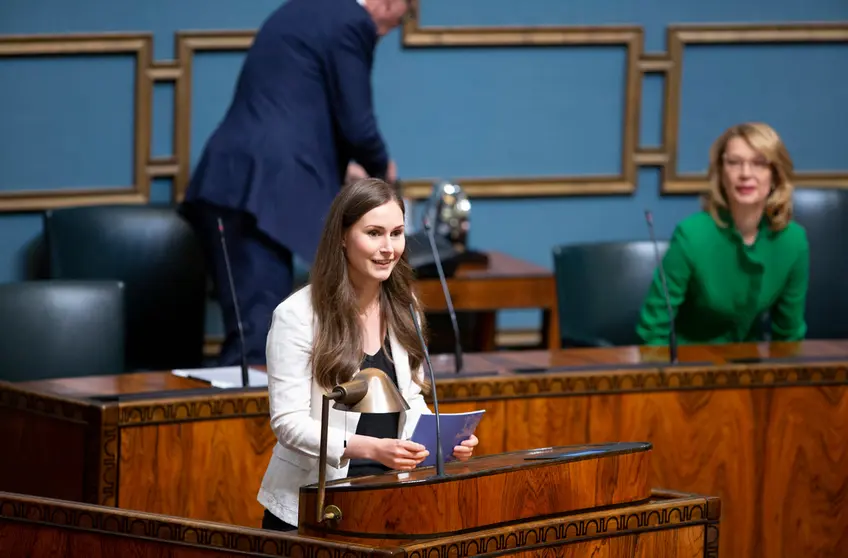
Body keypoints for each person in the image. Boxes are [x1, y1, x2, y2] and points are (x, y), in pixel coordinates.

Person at [180, 0, 407, 366]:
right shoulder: (352, 21)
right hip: (258, 192)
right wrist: (385, 177)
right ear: (388, 3)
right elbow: (358, 125)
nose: (382, 34)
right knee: (257, 342)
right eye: (390, 25)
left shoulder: (307, 9)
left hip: (234, 181)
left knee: (253, 333)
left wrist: (343, 168)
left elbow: (291, 106)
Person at [257, 178, 480, 532]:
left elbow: (408, 401)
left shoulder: (405, 307)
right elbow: (289, 424)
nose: (388, 247)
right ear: (343, 237)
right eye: (374, 233)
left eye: (396, 233)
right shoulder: (297, 316)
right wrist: (371, 449)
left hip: (387, 498)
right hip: (314, 504)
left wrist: (442, 439)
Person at [636, 122, 810, 345]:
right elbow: (651, 330)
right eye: (734, 163)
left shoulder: (793, 241)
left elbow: (790, 335)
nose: (745, 174)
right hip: (687, 366)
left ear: (775, 175)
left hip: (747, 368)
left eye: (759, 163)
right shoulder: (692, 234)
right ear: (720, 172)